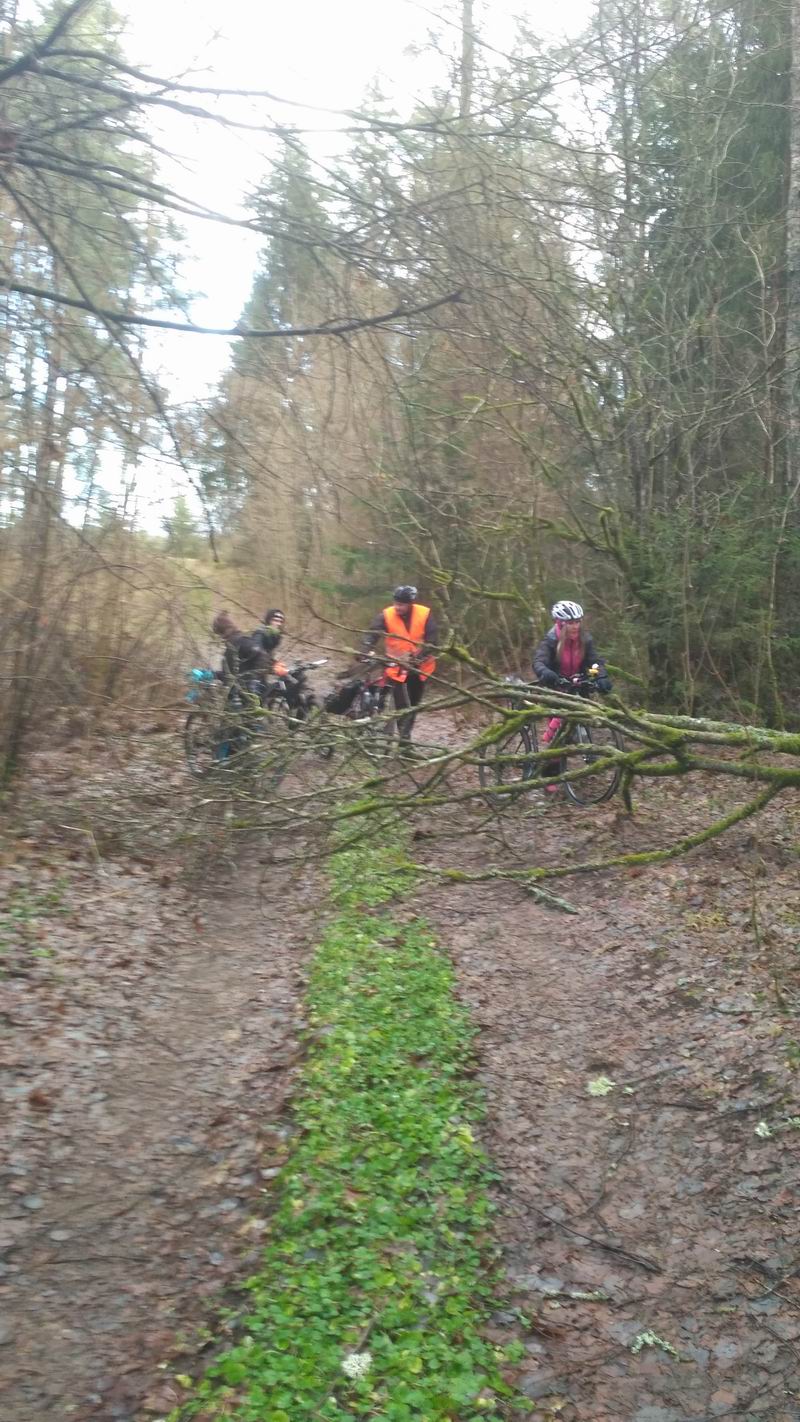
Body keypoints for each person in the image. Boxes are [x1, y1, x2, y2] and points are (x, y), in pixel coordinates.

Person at [532, 599, 613, 792]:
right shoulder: (551, 640)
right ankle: (549, 776)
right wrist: (546, 673)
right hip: (556, 689)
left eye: (578, 621)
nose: (575, 626)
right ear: (560, 623)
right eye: (571, 623)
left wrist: (601, 676)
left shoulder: (585, 640)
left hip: (578, 688)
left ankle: (573, 748)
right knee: (559, 734)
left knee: (578, 723)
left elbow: (595, 661)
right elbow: (538, 662)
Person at [360, 584, 438, 744]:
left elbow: (432, 641)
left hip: (420, 669)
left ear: (410, 604)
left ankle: (404, 737)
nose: (397, 607)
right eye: (395, 603)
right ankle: (403, 741)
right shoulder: (386, 615)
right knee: (402, 705)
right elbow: (373, 633)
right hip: (396, 669)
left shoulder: (424, 614)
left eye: (401, 604)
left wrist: (418, 656)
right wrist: (365, 649)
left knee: (413, 705)